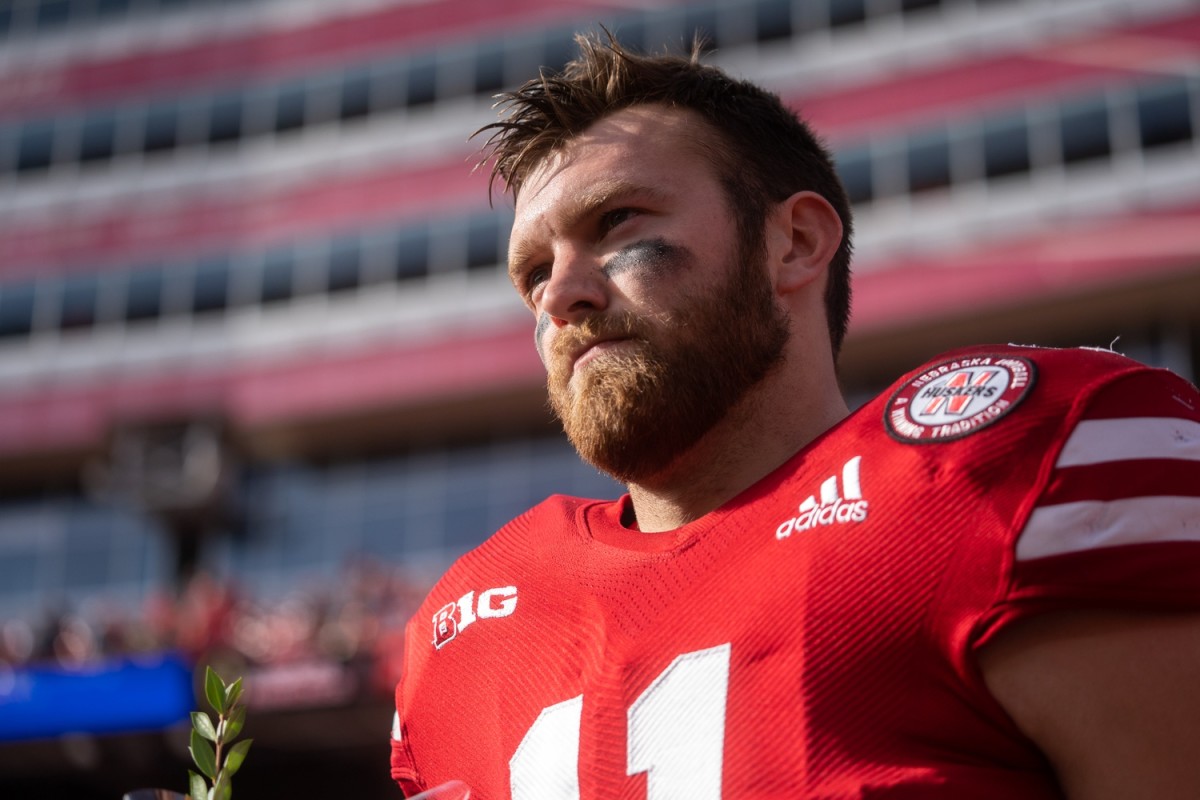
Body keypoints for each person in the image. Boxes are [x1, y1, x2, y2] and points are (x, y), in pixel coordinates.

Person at [390, 31, 1200, 799]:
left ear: (796, 242)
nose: (561, 294)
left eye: (618, 221)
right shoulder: (461, 632)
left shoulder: (1006, 461)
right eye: (532, 273)